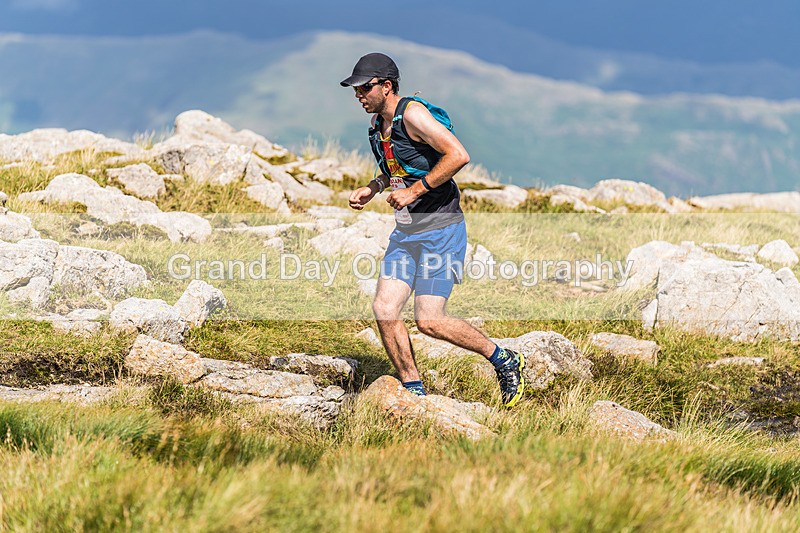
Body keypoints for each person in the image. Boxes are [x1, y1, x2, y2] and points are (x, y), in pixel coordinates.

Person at [341, 52, 526, 407]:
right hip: (406, 233)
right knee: (385, 308)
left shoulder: (413, 115)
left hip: (441, 229)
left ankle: (504, 359)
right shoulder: (378, 125)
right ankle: (414, 391)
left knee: (429, 320)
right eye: (356, 90)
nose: (359, 95)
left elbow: (458, 155)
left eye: (365, 88)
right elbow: (397, 168)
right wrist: (373, 187)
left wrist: (415, 192)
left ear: (387, 86)